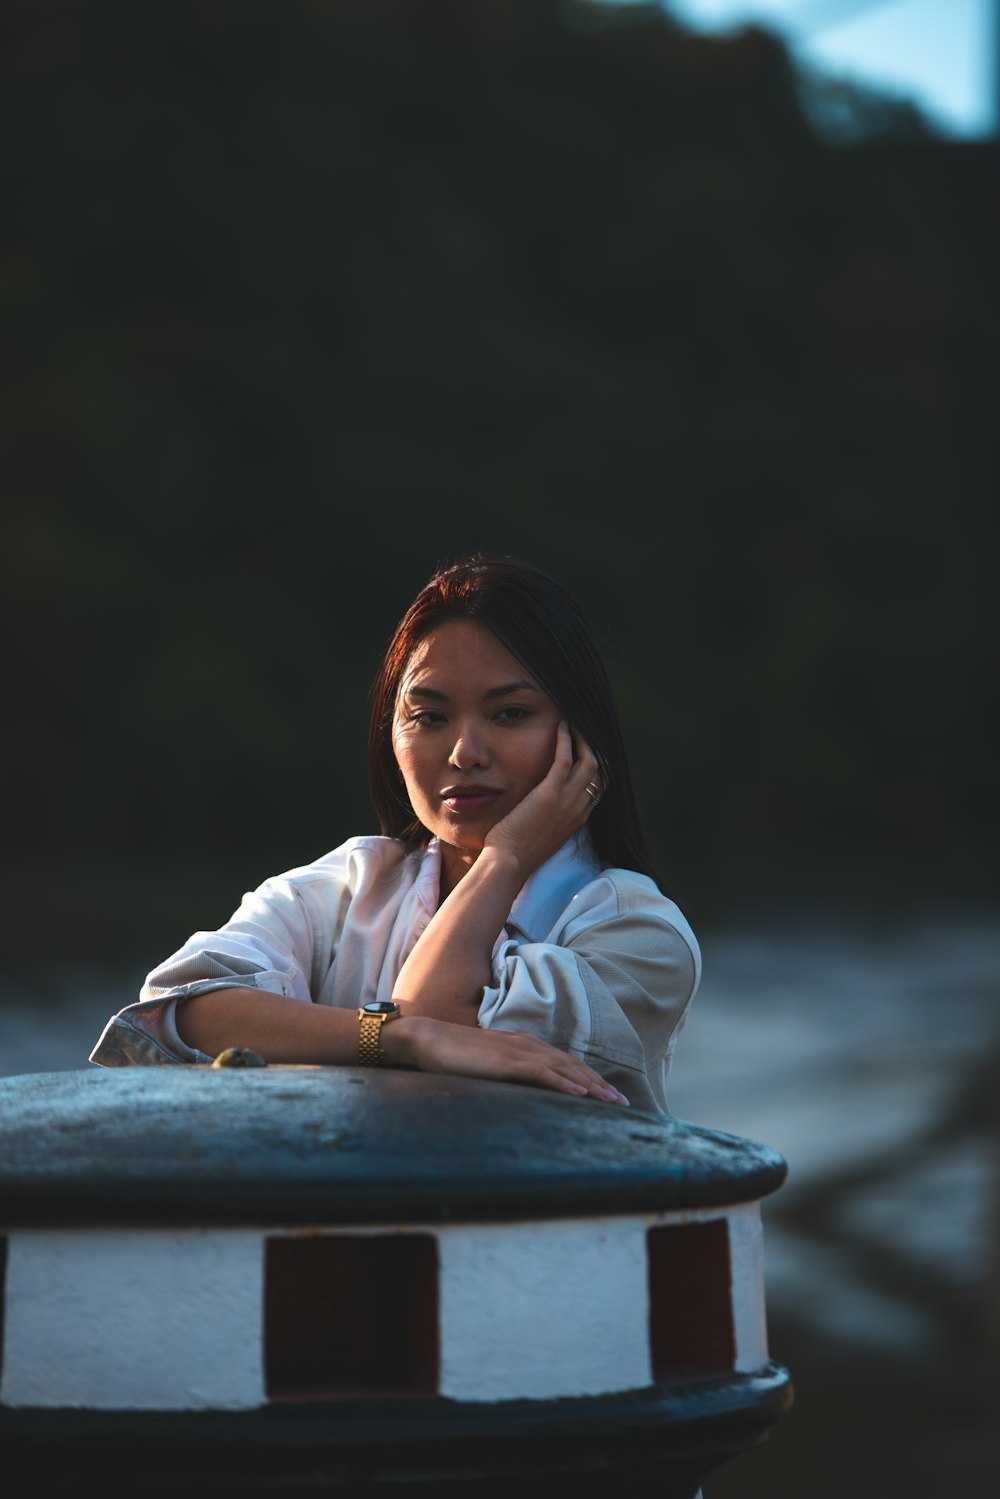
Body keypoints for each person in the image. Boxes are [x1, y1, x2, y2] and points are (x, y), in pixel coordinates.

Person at [90, 553, 701, 1111]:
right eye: (430, 717)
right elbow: (182, 1012)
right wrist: (398, 1036)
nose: (465, 752)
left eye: (511, 713)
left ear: (580, 736)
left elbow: (434, 1037)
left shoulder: (636, 933)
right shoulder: (344, 892)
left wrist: (506, 857)